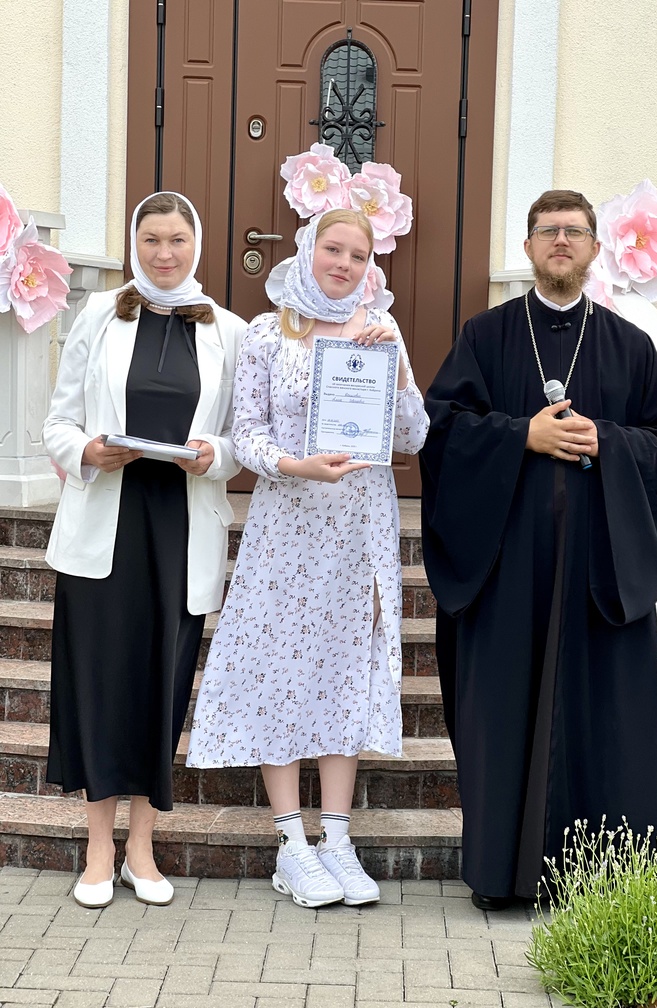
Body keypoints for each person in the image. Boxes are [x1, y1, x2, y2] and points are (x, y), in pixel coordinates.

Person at [419, 190, 657, 909]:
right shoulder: (485, 336)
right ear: (528, 248)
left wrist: (607, 440)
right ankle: (504, 878)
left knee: (602, 720)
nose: (562, 241)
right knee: (505, 713)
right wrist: (523, 435)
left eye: (575, 231)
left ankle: (612, 878)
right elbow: (440, 429)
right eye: (548, 231)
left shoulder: (630, 347)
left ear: (596, 248)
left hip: (599, 567)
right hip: (509, 566)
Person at [187, 207, 428, 908]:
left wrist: (398, 368)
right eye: (333, 249)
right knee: (281, 667)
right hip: (288, 526)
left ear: (370, 265)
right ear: (307, 250)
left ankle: (338, 840)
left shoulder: (381, 332)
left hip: (360, 528)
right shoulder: (268, 333)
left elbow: (414, 435)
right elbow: (248, 434)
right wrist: (297, 465)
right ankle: (292, 844)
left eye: (358, 255)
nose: (344, 264)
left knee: (346, 667)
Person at [43, 192, 247, 909]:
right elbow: (59, 423)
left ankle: (141, 848)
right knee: (100, 683)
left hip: (181, 526)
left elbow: (243, 435)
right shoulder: (99, 313)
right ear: (136, 244)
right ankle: (98, 849)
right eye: (152, 239)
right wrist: (89, 451)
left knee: (162, 684)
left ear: (197, 244)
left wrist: (215, 454)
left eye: (177, 240)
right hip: (106, 523)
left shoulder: (229, 329)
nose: (165, 253)